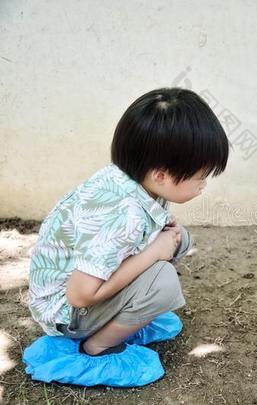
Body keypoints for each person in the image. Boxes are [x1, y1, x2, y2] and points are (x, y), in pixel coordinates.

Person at [24, 88, 229, 387]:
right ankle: (99, 346)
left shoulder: (136, 181)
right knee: (162, 280)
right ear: (161, 175)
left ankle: (123, 315)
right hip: (68, 312)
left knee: (178, 238)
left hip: (83, 288)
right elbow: (80, 294)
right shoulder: (124, 215)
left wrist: (162, 240)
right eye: (200, 176)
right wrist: (153, 253)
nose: (204, 184)